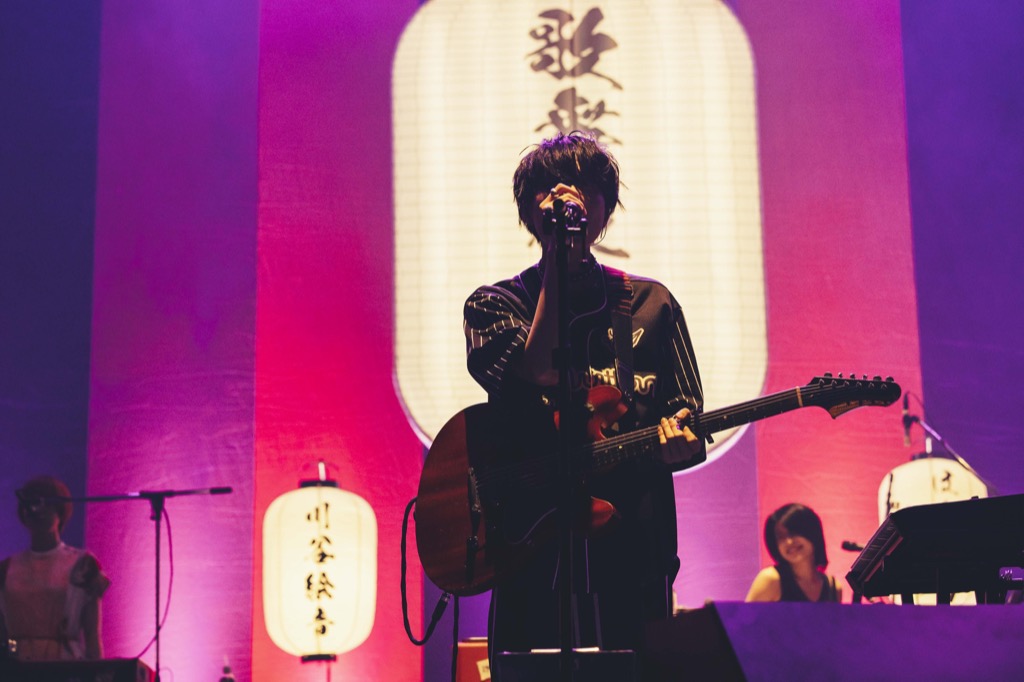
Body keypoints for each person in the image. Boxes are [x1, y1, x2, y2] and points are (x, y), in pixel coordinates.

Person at [462, 131, 706, 670]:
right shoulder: (494, 305)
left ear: (604, 208)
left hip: (633, 558)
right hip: (530, 556)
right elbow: (539, 368)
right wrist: (558, 259)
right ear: (529, 209)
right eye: (549, 187)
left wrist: (682, 442)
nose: (566, 196)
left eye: (582, 187)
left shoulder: (652, 304)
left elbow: (687, 415)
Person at [0, 475, 109, 661]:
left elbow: (92, 637)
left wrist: (99, 673)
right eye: (30, 505)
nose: (37, 512)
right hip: (17, 666)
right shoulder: (7, 568)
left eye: (46, 505)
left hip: (65, 666)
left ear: (59, 511)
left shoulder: (82, 565)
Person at [745, 502, 841, 603]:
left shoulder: (833, 588)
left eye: (793, 533)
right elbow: (745, 614)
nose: (789, 542)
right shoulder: (770, 579)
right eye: (781, 537)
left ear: (813, 533)